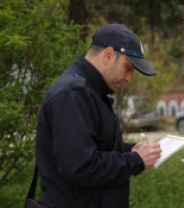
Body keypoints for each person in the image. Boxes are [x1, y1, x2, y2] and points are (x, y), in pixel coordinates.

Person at [35, 24, 162, 208]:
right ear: (108, 55)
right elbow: (82, 167)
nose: (129, 79)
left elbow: (96, 147)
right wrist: (135, 160)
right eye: (128, 68)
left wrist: (130, 150)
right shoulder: (73, 94)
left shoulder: (91, 92)